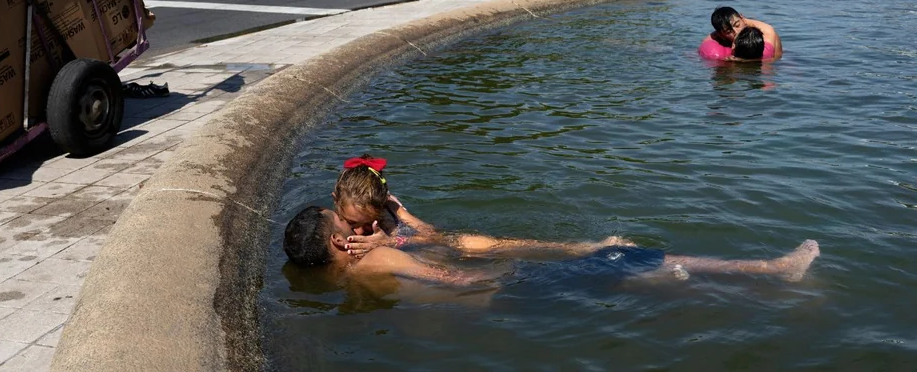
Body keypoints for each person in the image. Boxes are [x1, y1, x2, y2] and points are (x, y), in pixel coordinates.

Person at [283, 206, 822, 287]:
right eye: (344, 227)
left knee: (627, 274)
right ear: (337, 239)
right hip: (515, 292)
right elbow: (457, 282)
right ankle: (772, 269)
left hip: (514, 297)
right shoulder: (380, 257)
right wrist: (509, 272)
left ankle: (701, 284)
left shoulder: (350, 273)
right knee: (629, 260)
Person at [333, 155, 627, 258]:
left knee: (471, 244)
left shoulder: (391, 208)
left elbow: (429, 232)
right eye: (352, 222)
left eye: (365, 222)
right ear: (335, 200)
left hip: (424, 243)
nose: (358, 229)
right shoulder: (337, 214)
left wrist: (393, 241)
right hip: (419, 253)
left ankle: (582, 248)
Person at [698, 6, 782, 61]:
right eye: (728, 32)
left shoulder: (766, 35)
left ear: (742, 18)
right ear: (721, 35)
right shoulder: (714, 49)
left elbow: (773, 60)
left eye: (737, 25)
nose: (737, 32)